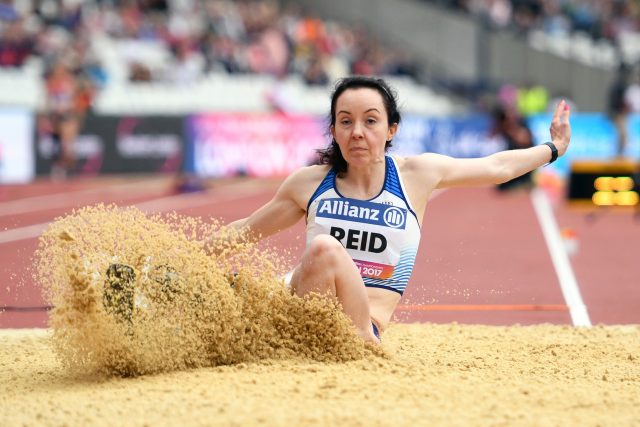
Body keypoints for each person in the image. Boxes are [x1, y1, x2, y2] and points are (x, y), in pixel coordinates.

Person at [207, 76, 571, 343]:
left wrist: (553, 148)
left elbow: (497, 168)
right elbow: (245, 230)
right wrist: (186, 258)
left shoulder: (416, 175)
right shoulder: (309, 183)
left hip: (362, 330)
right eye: (345, 121)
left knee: (324, 249)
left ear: (391, 129)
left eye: (370, 120)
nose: (357, 132)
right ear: (333, 130)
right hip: (293, 308)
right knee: (228, 298)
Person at [490, 104, 535, 191]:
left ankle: (525, 182)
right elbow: (491, 136)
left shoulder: (520, 123)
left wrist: (511, 129)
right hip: (511, 158)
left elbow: (524, 140)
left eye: (511, 113)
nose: (510, 116)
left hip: (525, 159)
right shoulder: (504, 125)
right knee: (501, 187)